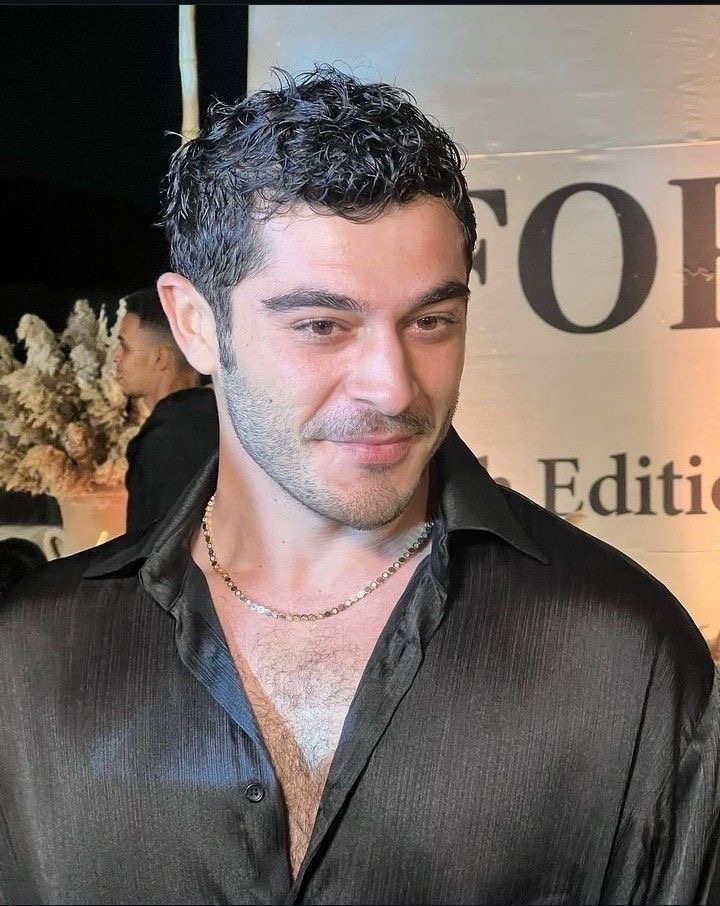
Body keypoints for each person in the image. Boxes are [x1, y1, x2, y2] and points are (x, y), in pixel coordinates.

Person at [0, 66, 718, 906]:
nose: (393, 384)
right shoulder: (34, 656)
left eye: (431, 321)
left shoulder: (621, 652)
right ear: (195, 323)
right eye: (322, 325)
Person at [113, 285, 219, 532]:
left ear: (161, 358)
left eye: (125, 347)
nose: (116, 356)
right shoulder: (221, 419)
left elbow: (156, 545)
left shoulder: (168, 438)